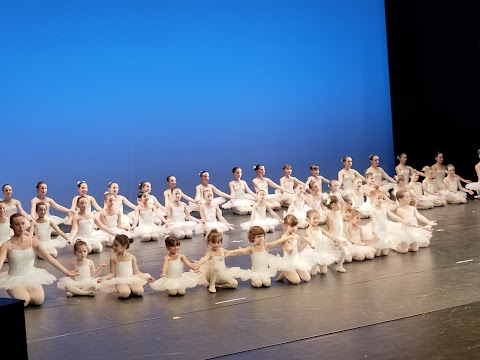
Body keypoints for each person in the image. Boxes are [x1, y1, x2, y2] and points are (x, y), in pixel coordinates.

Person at [0, 214, 77, 307]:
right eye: (17, 224)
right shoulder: (6, 245)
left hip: (31, 276)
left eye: (23, 223)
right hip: (14, 278)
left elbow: (49, 258)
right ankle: (15, 291)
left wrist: (67, 272)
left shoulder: (33, 241)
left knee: (38, 300)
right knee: (24, 301)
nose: (21, 227)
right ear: (11, 226)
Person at [195, 229, 251, 293]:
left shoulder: (222, 250)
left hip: (221, 275)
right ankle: (212, 285)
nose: (216, 245)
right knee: (216, 267)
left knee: (234, 283)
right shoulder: (210, 253)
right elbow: (204, 258)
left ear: (221, 242)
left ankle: (219, 286)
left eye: (218, 242)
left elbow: (231, 252)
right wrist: (198, 263)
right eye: (213, 242)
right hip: (211, 276)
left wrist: (241, 251)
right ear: (209, 242)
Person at [98, 234, 154, 299]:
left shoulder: (132, 257)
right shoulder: (113, 259)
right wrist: (104, 278)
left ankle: (130, 289)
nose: (114, 247)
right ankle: (122, 289)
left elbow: (136, 271)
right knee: (125, 293)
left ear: (124, 246)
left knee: (139, 291)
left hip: (131, 279)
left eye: (116, 245)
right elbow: (112, 273)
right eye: (113, 245)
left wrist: (146, 277)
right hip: (120, 280)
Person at [273, 214, 316, 284]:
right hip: (288, 262)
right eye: (292, 226)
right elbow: (288, 251)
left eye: (295, 225)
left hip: (296, 261)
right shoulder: (284, 237)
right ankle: (285, 271)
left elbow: (299, 250)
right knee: (297, 281)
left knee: (307, 278)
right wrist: (290, 249)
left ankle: (286, 272)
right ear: (286, 226)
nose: (294, 228)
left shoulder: (296, 236)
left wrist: (306, 242)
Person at [304, 209, 347, 274]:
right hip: (313, 252)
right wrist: (312, 244)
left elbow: (330, 236)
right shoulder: (308, 230)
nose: (316, 220)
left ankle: (318, 266)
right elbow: (310, 239)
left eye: (318, 218)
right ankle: (311, 268)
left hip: (321, 251)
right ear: (308, 219)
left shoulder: (320, 229)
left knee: (324, 272)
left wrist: (340, 241)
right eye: (314, 218)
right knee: (313, 273)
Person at [365, 190, 405, 256]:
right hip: (378, 230)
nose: (380, 200)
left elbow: (393, 216)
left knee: (385, 253)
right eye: (378, 198)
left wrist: (403, 221)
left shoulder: (384, 208)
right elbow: (374, 222)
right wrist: (374, 232)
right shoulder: (372, 210)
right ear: (372, 198)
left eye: (381, 198)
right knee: (377, 254)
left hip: (385, 229)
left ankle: (392, 246)